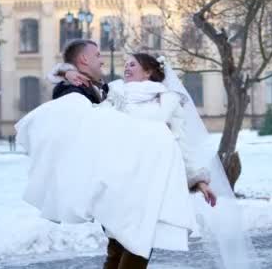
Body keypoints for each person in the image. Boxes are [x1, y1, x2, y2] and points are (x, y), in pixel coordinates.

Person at [16, 43, 256, 269]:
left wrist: (197, 179)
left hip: (149, 185)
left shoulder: (168, 101)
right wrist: (66, 72)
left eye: (132, 64)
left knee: (138, 246)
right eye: (125, 65)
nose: (125, 67)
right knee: (118, 248)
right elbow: (84, 117)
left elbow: (180, 143)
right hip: (120, 184)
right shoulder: (114, 94)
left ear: (149, 72)